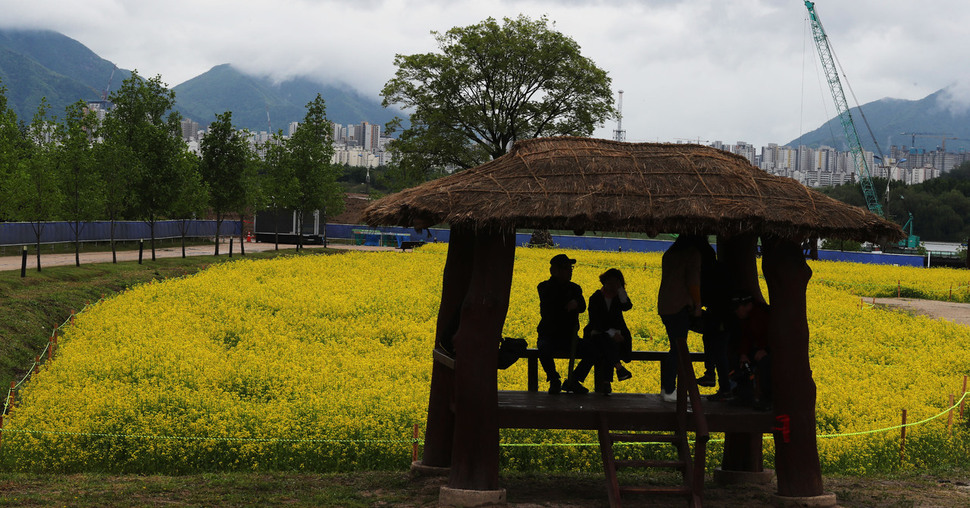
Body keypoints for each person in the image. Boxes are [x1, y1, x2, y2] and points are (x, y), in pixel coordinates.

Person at [568, 268, 634, 395]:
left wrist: (620, 290)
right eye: (610, 281)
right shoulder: (596, 297)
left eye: (616, 282)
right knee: (606, 342)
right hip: (596, 332)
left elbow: (627, 306)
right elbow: (596, 321)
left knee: (604, 347)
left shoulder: (619, 298)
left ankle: (575, 379)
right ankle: (613, 373)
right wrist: (612, 333)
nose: (612, 285)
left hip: (613, 336)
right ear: (604, 282)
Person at [656, 234, 703, 402]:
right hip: (679, 306)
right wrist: (697, 304)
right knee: (678, 348)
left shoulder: (670, 253)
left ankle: (667, 388)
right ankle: (669, 389)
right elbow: (693, 282)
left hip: (665, 305)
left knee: (675, 347)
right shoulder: (692, 254)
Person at [536, 253, 587, 394]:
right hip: (549, 335)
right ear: (554, 271)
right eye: (566, 268)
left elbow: (582, 306)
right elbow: (553, 305)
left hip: (569, 337)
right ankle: (554, 379)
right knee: (543, 347)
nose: (570, 271)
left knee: (593, 349)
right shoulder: (544, 287)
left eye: (570, 268)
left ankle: (574, 380)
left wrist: (576, 303)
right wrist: (570, 303)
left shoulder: (576, 288)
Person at [695, 239, 733, 400]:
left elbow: (706, 294)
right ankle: (711, 375)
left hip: (721, 315)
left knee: (718, 351)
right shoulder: (722, 269)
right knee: (710, 342)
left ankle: (724, 388)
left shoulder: (710, 271)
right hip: (721, 314)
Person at [728, 291, 772, 411]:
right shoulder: (747, 318)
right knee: (740, 362)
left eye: (738, 309)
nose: (737, 312)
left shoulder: (761, 314)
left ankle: (767, 399)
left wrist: (765, 350)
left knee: (765, 364)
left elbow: (773, 335)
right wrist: (743, 354)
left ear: (746, 306)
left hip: (770, 351)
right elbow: (746, 337)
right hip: (759, 349)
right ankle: (744, 396)